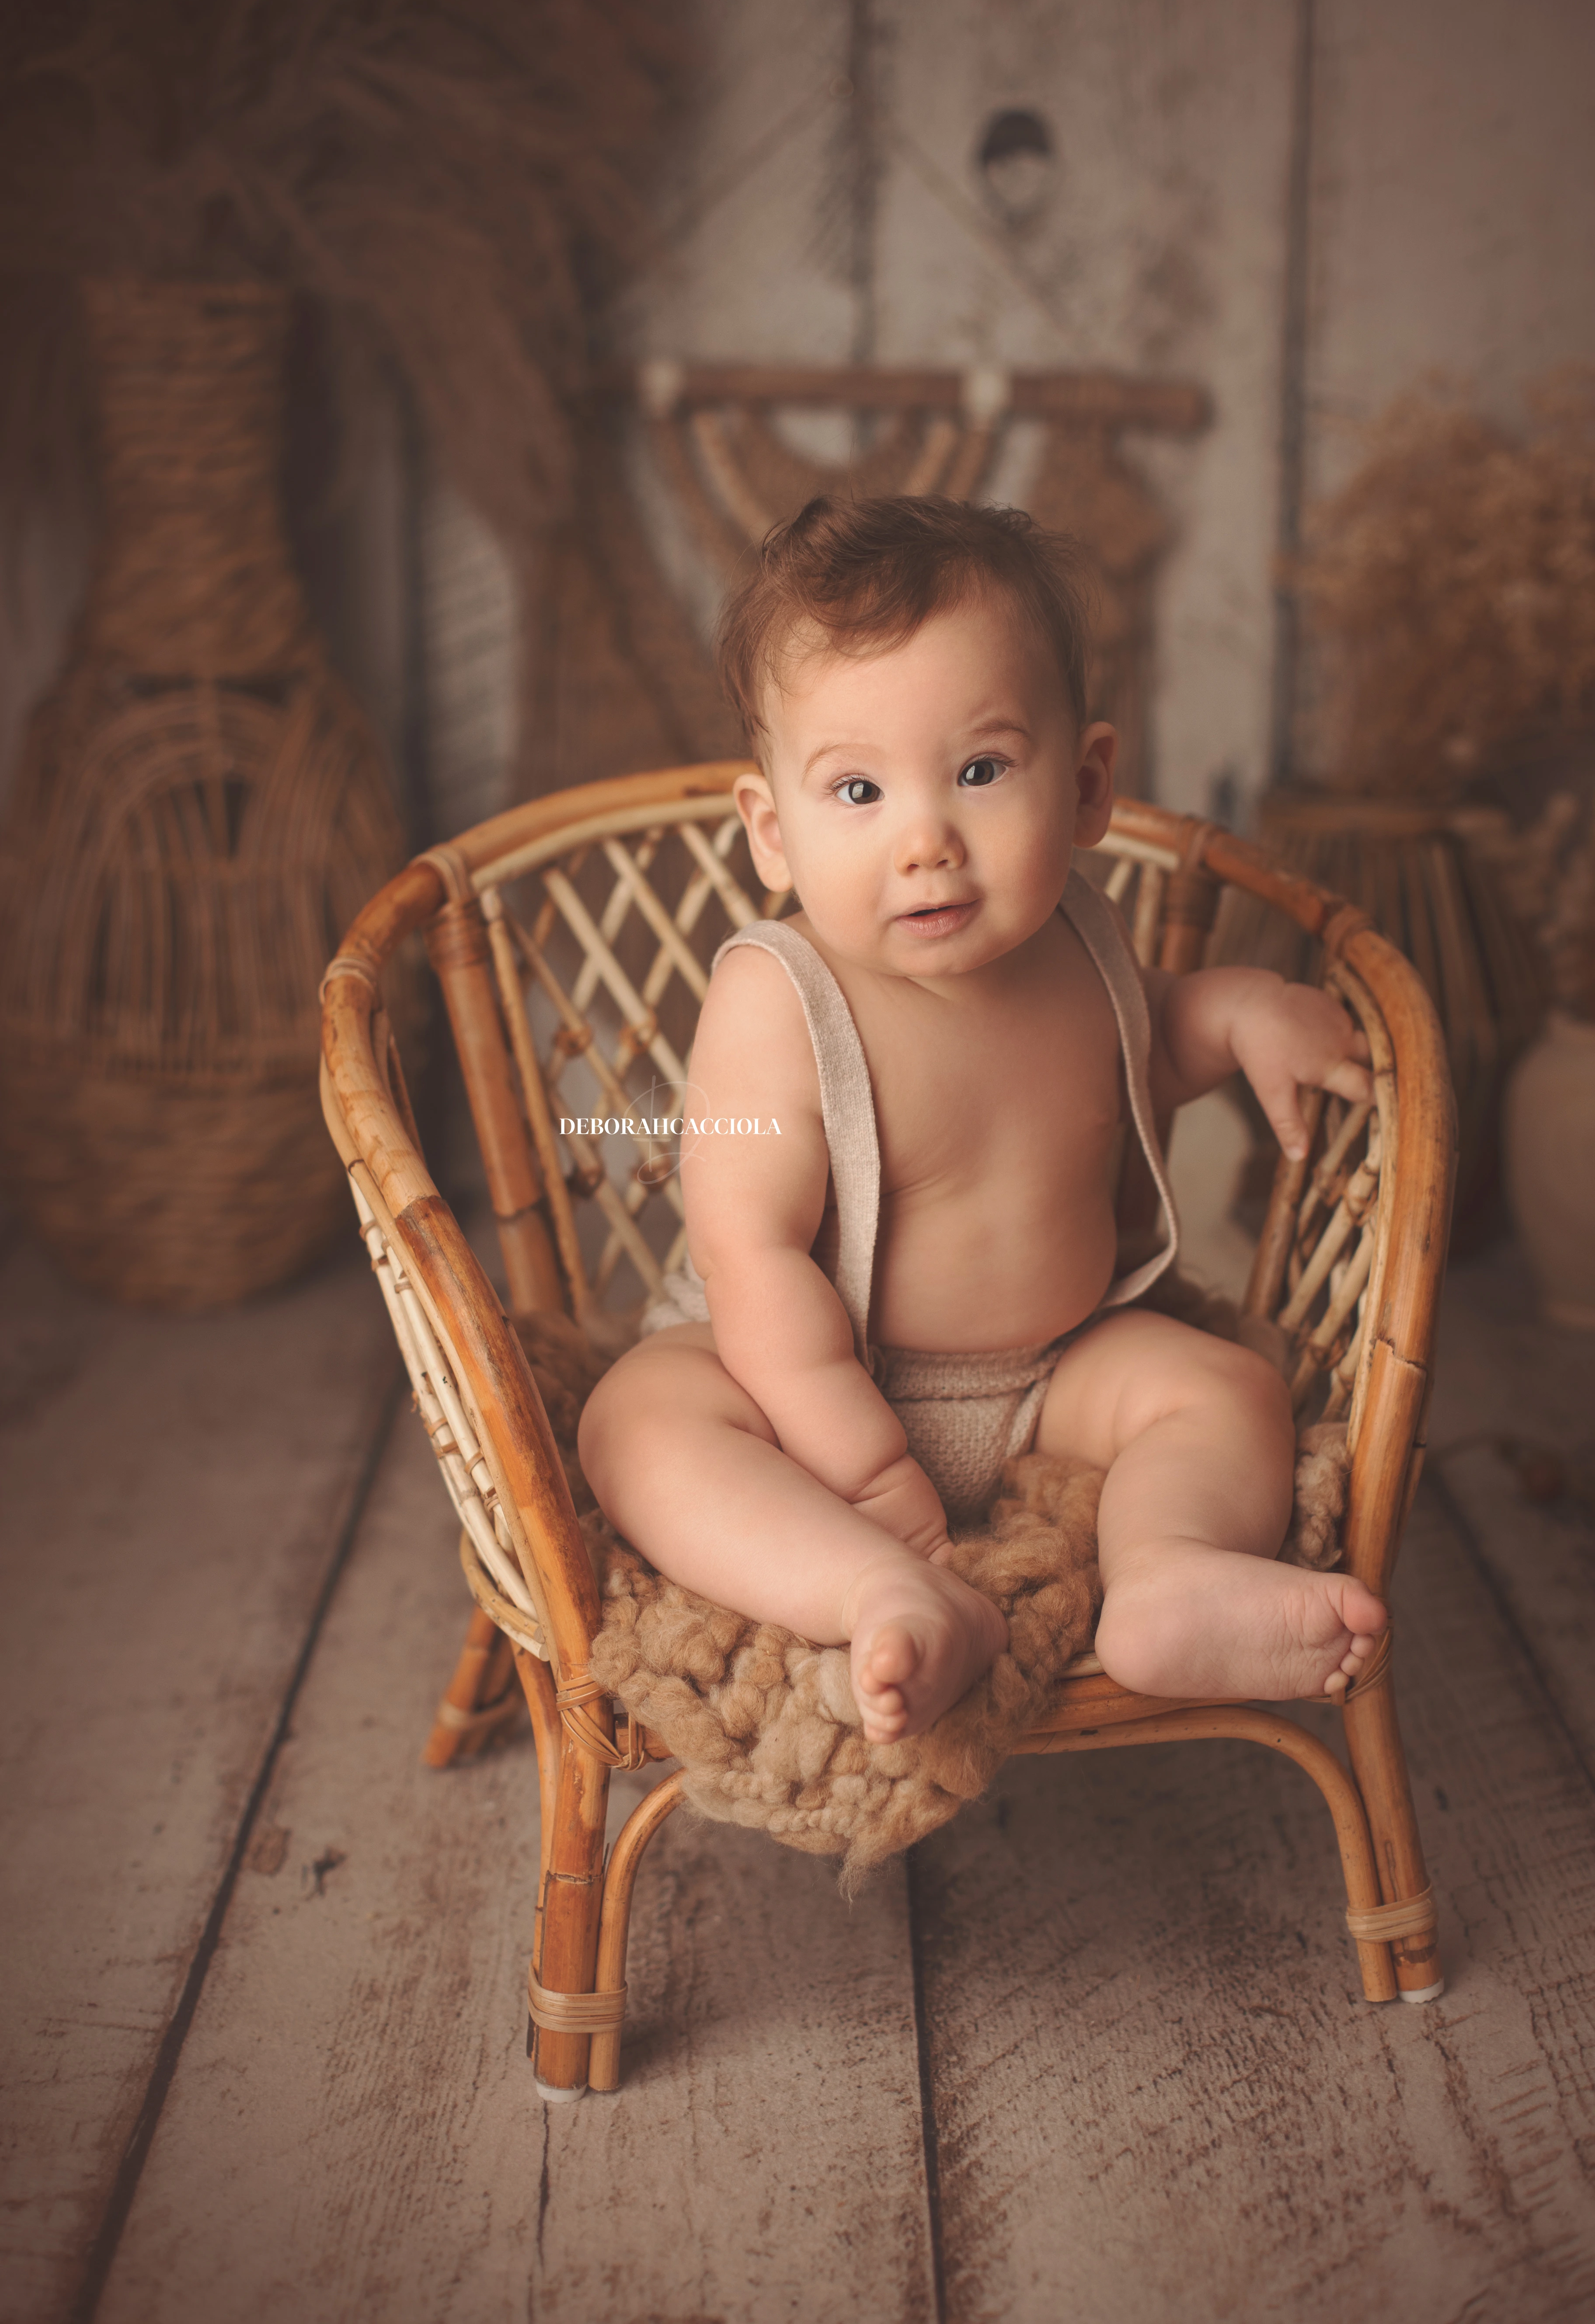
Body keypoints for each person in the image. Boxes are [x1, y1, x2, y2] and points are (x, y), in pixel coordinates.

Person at [578, 495, 1386, 1746]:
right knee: (639, 1425)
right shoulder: (776, 999)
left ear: (1087, 786)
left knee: (1228, 1390)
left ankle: (1168, 1575)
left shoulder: (1080, 932)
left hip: (1057, 1371)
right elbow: (752, 1254)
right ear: (772, 832)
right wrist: (865, 1477)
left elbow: (1145, 1044)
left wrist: (1245, 1015)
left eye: (981, 771)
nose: (926, 841)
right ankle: (874, 1590)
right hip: (804, 1386)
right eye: (857, 789)